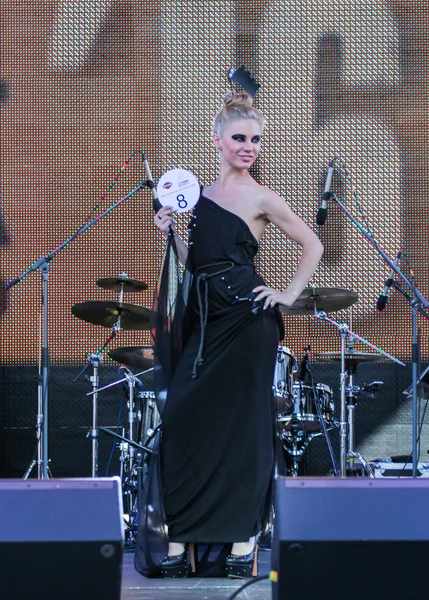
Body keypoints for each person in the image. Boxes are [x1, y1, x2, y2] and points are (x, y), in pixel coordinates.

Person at [151, 91, 323, 578]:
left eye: (256, 140)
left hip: (248, 324)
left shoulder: (262, 197)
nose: (249, 146)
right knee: (182, 420)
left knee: (246, 430)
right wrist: (170, 233)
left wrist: (287, 294)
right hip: (205, 325)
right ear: (217, 140)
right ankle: (183, 538)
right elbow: (196, 265)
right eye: (240, 138)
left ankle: (244, 543)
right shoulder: (201, 196)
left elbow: (314, 243)